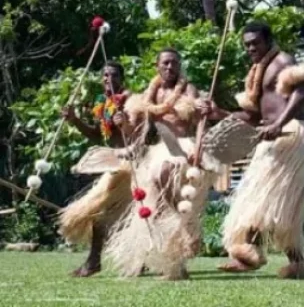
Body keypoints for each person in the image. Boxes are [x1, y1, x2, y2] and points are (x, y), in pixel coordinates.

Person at [200, 21, 304, 279]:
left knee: (268, 199)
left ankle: (249, 253)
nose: (251, 48)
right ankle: (298, 264)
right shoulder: (256, 72)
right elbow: (253, 116)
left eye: (256, 42)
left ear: (268, 40)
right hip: (270, 137)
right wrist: (219, 113)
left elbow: (302, 90)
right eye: (247, 44)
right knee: (272, 202)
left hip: (291, 134)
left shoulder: (282, 61)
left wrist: (279, 123)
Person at [104, 49, 217, 280]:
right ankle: (173, 265)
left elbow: (199, 121)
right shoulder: (150, 94)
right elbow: (134, 131)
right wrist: (122, 123)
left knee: (170, 190)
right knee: (156, 211)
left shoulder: (188, 89)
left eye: (174, 63)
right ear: (157, 66)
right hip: (158, 150)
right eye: (165, 63)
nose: (169, 67)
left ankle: (182, 242)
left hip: (182, 149)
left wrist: (198, 148)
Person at [58, 61, 132, 277]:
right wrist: (74, 121)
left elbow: (142, 131)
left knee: (102, 215)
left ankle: (93, 262)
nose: (109, 79)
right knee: (118, 217)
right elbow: (97, 136)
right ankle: (129, 259)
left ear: (122, 79)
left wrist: (125, 122)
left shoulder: (129, 101)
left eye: (114, 75)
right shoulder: (103, 103)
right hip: (113, 167)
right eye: (105, 75)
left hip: (130, 165)